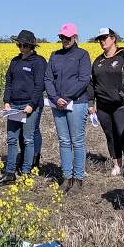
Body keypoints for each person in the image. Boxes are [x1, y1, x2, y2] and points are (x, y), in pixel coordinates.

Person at [45, 23, 92, 192]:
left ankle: (78, 178)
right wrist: (55, 98)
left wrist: (66, 97)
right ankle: (67, 177)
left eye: (67, 37)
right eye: (62, 37)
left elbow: (84, 79)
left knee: (77, 141)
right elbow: (48, 79)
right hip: (57, 104)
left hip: (77, 102)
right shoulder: (55, 55)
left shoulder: (82, 55)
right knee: (64, 141)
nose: (64, 40)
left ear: (75, 37)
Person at [89, 27, 124, 179]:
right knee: (110, 135)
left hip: (122, 104)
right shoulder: (98, 61)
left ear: (113, 38)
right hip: (103, 106)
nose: (102, 41)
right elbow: (92, 83)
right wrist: (91, 102)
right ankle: (117, 164)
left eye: (105, 38)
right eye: (100, 39)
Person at [0, 30, 47, 184]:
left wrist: (31, 105)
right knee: (12, 139)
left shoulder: (39, 62)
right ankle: (10, 172)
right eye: (19, 44)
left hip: (29, 105)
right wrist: (6, 101)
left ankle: (27, 171)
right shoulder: (15, 61)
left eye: (25, 45)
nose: (22, 48)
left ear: (32, 46)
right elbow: (9, 82)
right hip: (13, 105)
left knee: (28, 139)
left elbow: (40, 85)